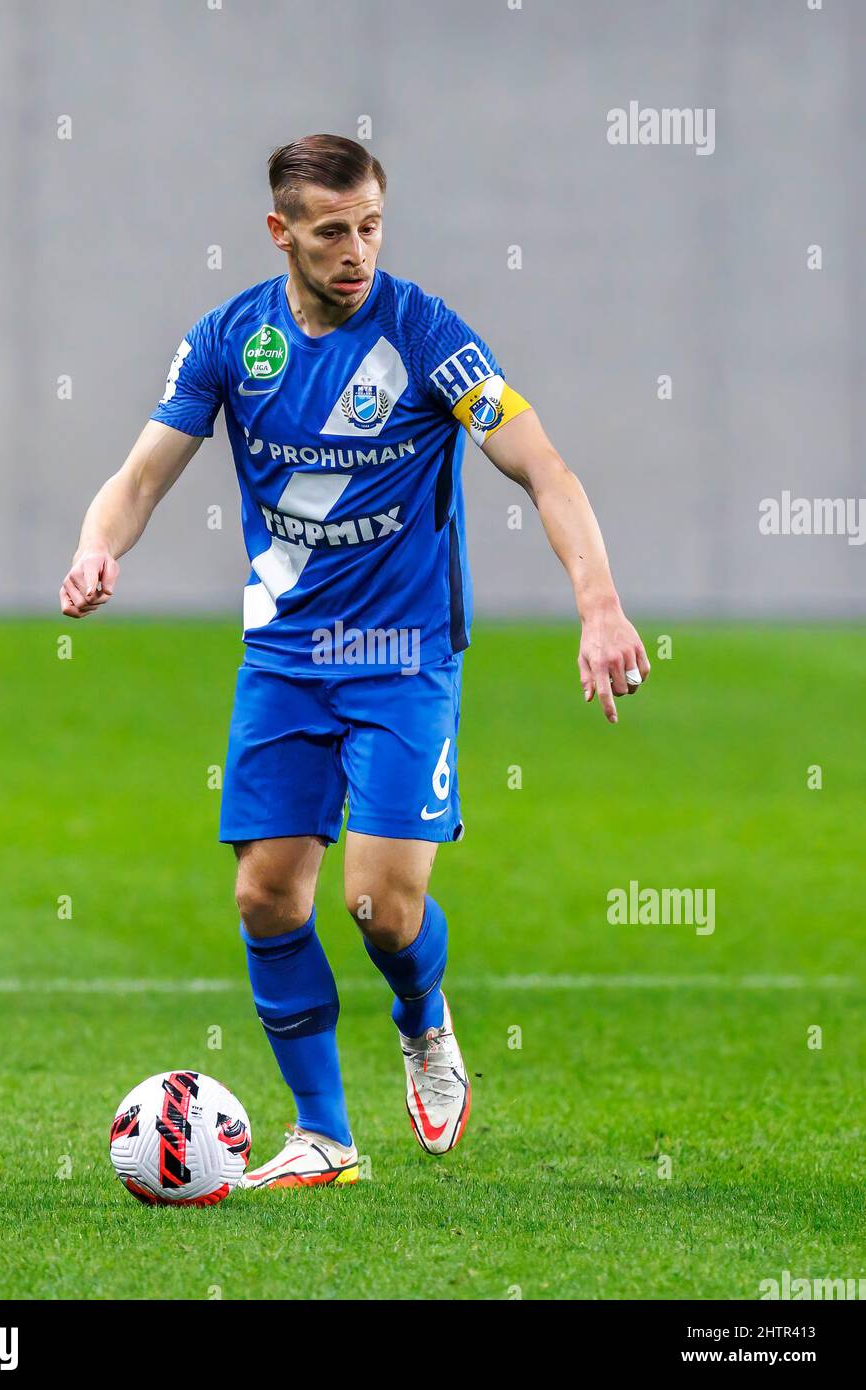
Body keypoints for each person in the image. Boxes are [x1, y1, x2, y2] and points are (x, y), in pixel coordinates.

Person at [60, 133, 650, 1190]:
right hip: (285, 657)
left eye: (371, 224)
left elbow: (542, 464)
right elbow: (141, 475)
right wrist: (97, 544)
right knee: (265, 896)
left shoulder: (427, 334)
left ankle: (424, 1020)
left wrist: (598, 603)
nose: (357, 250)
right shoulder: (230, 340)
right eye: (332, 230)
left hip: (402, 658)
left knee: (382, 906)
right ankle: (326, 1135)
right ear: (281, 231)